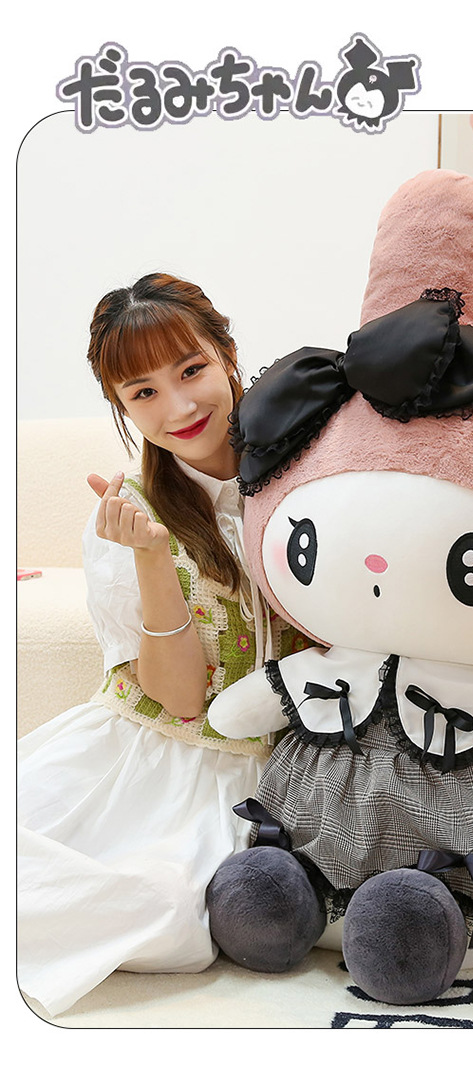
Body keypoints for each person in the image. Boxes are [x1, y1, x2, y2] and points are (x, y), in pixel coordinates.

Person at [17, 273, 307, 1018]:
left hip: (281, 768)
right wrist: (150, 555)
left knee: (173, 909)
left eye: (191, 369)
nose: (178, 407)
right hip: (153, 757)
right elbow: (178, 699)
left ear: (228, 355)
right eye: (142, 392)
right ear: (121, 407)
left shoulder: (311, 475)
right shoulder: (127, 515)